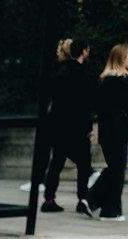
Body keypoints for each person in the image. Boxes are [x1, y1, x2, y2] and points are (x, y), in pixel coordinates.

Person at [42, 38, 93, 214]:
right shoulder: (84, 76)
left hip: (58, 125)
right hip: (77, 127)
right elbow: (86, 105)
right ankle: (83, 198)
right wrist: (88, 128)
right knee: (84, 165)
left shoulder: (58, 72)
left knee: (56, 162)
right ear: (84, 52)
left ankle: (49, 198)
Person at [85, 45, 128, 221]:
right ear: (122, 59)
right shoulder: (123, 80)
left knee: (114, 168)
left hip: (106, 130)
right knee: (117, 171)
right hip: (120, 129)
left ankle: (99, 202)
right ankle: (106, 207)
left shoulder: (103, 80)